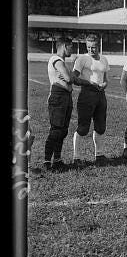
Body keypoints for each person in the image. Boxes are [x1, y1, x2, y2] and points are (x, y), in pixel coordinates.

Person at [71, 34, 110, 166]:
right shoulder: (82, 59)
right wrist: (88, 83)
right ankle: (76, 157)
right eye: (88, 47)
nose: (91, 50)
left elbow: (105, 79)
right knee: (83, 127)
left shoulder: (104, 59)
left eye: (93, 47)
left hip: (101, 95)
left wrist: (104, 84)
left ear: (98, 46)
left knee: (101, 126)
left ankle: (99, 155)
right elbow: (73, 78)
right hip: (87, 95)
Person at [44, 37, 74, 170]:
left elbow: (68, 78)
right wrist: (68, 78)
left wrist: (68, 77)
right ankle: (46, 161)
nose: (72, 49)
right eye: (71, 46)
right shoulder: (55, 59)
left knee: (63, 130)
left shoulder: (62, 62)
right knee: (56, 129)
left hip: (66, 97)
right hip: (58, 96)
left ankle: (57, 159)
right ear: (64, 46)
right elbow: (68, 78)